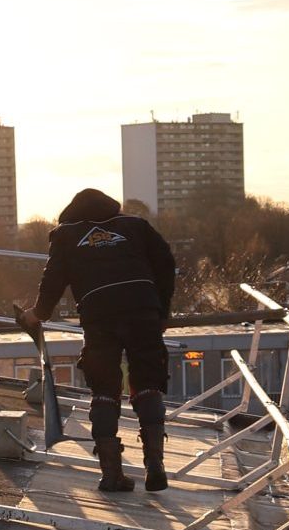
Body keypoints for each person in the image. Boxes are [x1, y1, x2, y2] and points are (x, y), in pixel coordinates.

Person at [16, 188, 177, 493]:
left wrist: (39, 314)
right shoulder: (136, 226)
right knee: (147, 380)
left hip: (100, 314)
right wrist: (162, 309)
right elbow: (166, 262)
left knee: (104, 386)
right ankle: (155, 463)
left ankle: (112, 474)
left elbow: (53, 279)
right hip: (143, 308)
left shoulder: (65, 235)